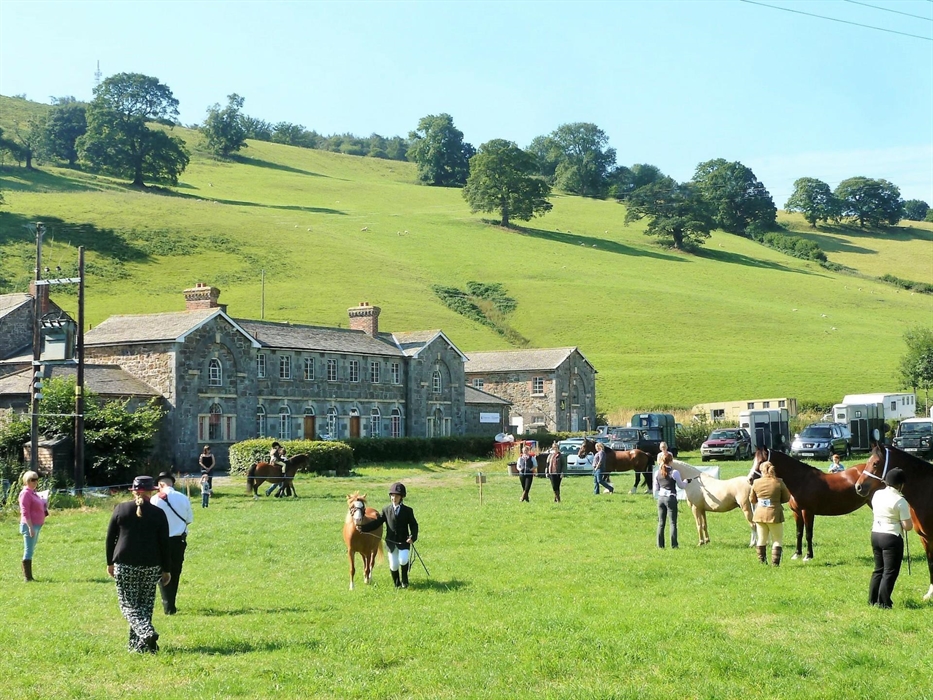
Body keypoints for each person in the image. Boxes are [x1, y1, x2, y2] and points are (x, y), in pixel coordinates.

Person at [106, 475, 171, 653]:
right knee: (145, 605)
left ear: (134, 491)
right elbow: (164, 544)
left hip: (125, 563)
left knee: (128, 605)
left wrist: (109, 562)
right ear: (151, 492)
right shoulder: (159, 513)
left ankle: (146, 633)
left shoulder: (120, 509)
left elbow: (110, 538)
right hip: (152, 565)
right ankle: (139, 646)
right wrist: (166, 569)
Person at [358, 482, 419, 589]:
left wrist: (413, 537)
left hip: (404, 542)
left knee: (403, 560)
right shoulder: (386, 510)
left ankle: (404, 580)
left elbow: (414, 525)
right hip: (391, 542)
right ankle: (397, 584)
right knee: (393, 565)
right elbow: (377, 522)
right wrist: (363, 528)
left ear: (401, 497)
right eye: (392, 495)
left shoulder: (408, 511)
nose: (394, 498)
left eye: (397, 496)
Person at [868, 468, 913, 609]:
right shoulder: (900, 501)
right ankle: (884, 602)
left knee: (878, 569)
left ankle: (872, 600)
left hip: (875, 533)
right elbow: (908, 526)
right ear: (900, 484)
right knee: (890, 571)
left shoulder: (877, 494)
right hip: (891, 537)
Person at [150, 471, 193, 615]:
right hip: (179, 540)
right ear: (172, 483)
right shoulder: (183, 498)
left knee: (162, 572)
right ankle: (171, 603)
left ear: (160, 484)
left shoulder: (155, 499)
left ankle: (167, 605)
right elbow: (189, 520)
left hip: (160, 541)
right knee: (175, 571)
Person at [749, 460, 791, 565]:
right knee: (777, 540)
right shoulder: (779, 482)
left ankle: (762, 562)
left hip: (759, 514)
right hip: (774, 514)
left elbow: (752, 499)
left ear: (761, 470)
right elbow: (787, 497)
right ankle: (775, 564)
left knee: (761, 539)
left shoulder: (756, 482)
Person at [19, 471, 48, 582]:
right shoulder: (25, 493)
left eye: (36, 479)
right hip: (30, 526)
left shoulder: (33, 493)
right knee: (28, 550)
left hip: (37, 525)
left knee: (31, 550)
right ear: (27, 481)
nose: (35, 482)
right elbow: (25, 512)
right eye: (32, 480)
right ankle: (28, 577)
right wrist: (30, 527)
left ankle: (28, 576)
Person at [653, 453, 687, 548]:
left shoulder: (657, 472)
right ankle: (674, 545)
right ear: (671, 461)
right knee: (672, 522)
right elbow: (681, 486)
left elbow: (656, 488)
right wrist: (686, 481)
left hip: (660, 498)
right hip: (670, 497)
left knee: (661, 523)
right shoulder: (674, 472)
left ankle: (660, 545)